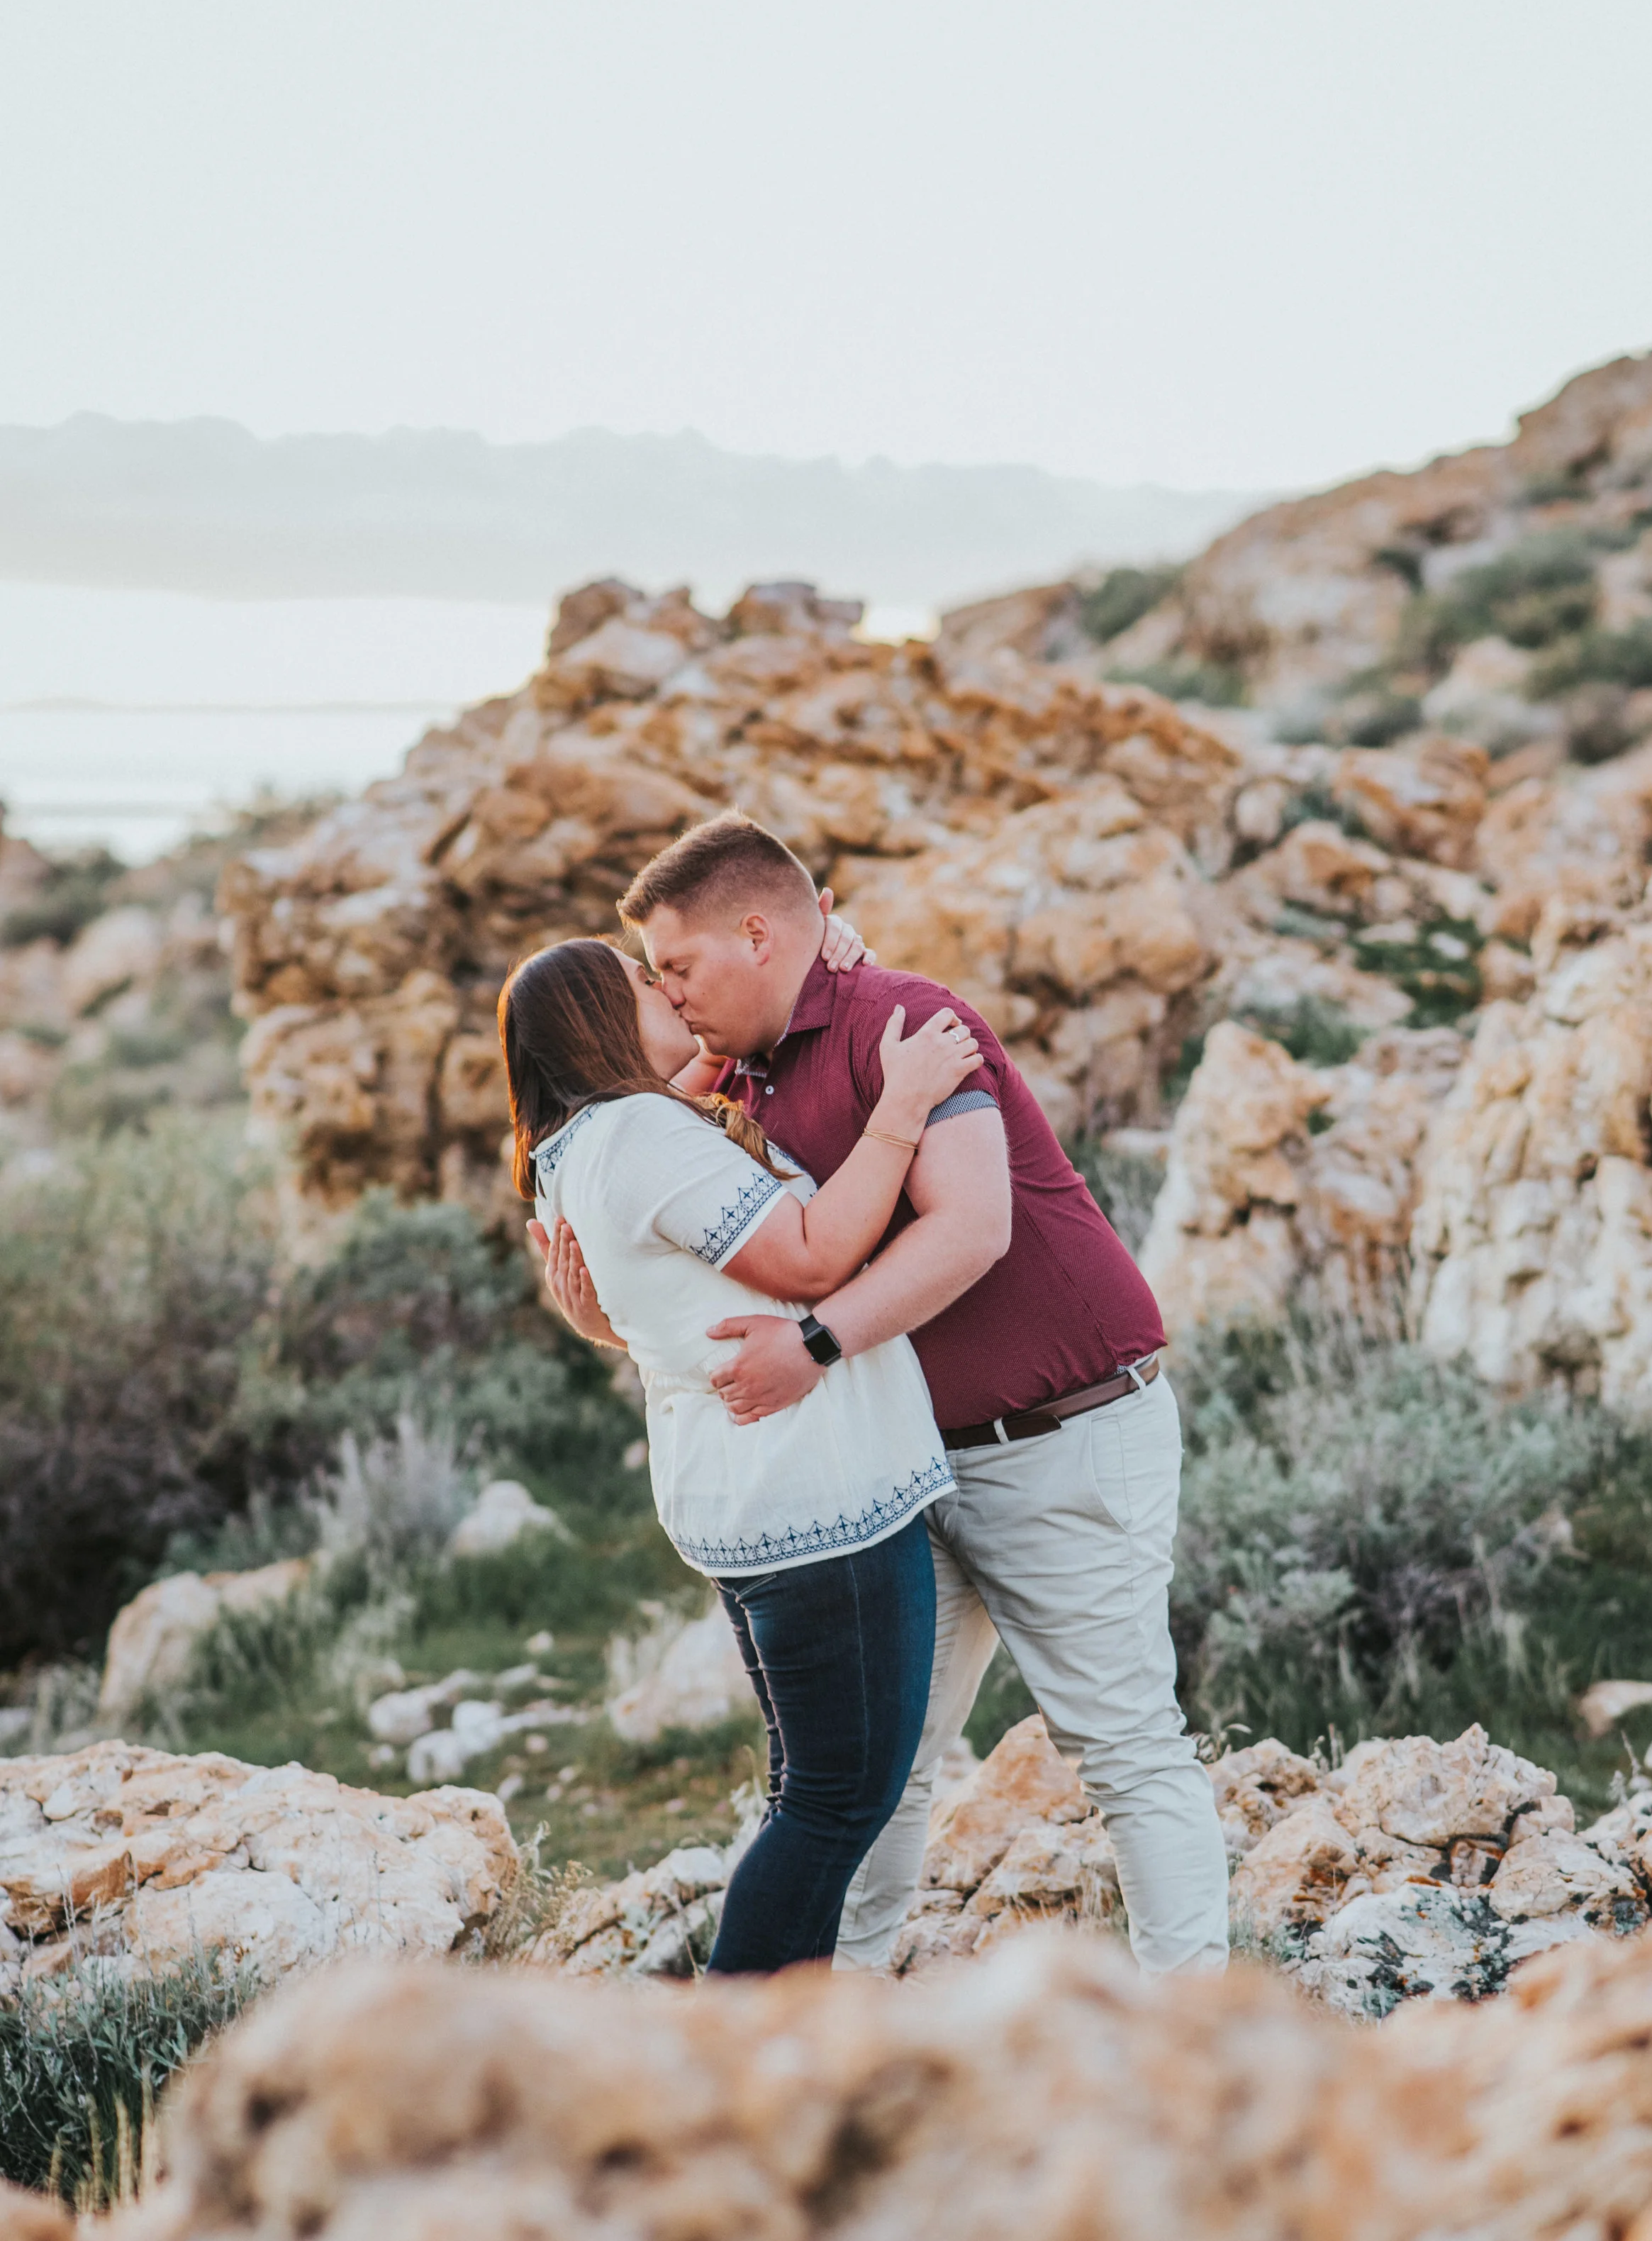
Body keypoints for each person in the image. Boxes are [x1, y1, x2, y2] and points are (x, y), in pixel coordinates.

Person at [545, 812, 1229, 1976]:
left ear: (758, 933)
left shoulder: (906, 1022)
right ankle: (837, 2021)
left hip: (1060, 1431)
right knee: (881, 1773)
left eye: (679, 967)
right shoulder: (729, 1081)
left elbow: (973, 1226)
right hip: (908, 1467)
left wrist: (812, 1345)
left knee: (1123, 1748)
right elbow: (679, 1278)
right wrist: (596, 1307)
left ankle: (1191, 2036)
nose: (668, 993)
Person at [498, 930, 985, 1974]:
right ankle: (734, 2050)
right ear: (597, 1017)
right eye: (641, 979)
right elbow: (810, 1257)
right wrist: (904, 1106)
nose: (665, 985)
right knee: (835, 1800)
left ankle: (780, 2052)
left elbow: (667, 1299)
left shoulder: (576, 1149)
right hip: (815, 1498)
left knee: (806, 1789)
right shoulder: (635, 1134)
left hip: (752, 1501)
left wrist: (810, 951)